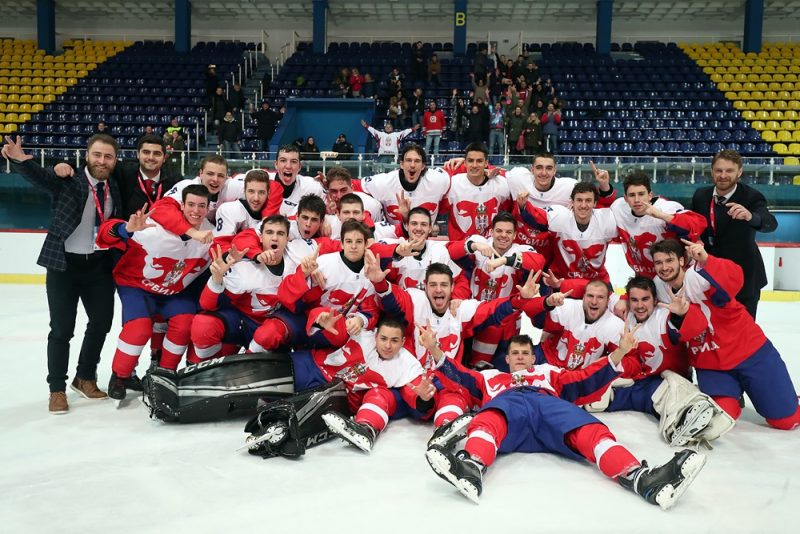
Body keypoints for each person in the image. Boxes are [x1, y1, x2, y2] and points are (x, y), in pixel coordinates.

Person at [424, 334, 706, 510]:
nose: (520, 357)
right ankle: (471, 467)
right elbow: (459, 376)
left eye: (525, 353)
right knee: (488, 418)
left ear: (532, 357)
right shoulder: (489, 378)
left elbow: (585, 378)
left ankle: (643, 480)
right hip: (510, 407)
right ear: (506, 358)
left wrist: (618, 353)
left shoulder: (549, 374)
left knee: (590, 430)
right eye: (515, 354)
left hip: (548, 405)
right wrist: (435, 350)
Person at [2, 134, 121, 413]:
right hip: (64, 266)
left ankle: (85, 377)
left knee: (101, 324)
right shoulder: (69, 180)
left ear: (115, 161)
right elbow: (42, 178)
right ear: (87, 156)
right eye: (97, 155)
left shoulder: (114, 187)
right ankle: (56, 388)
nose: (102, 161)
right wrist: (21, 161)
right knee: (61, 330)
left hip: (99, 266)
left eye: (108, 157)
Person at [651, 238, 800, 431]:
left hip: (749, 352)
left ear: (682, 260)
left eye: (669, 260)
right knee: (722, 416)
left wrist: (707, 260)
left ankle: (788, 397)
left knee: (786, 420)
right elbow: (643, 297)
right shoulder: (659, 286)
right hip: (710, 362)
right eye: (658, 262)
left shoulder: (698, 276)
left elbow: (734, 279)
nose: (664, 267)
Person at [97, 185, 215, 403]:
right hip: (137, 286)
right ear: (181, 205)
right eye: (190, 205)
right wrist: (126, 230)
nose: (196, 211)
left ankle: (164, 375)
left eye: (201, 206)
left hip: (173, 292)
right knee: (139, 328)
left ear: (209, 208)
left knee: (186, 322)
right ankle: (120, 376)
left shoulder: (210, 235)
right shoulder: (155, 227)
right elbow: (105, 234)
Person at [321, 318, 437, 452]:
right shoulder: (363, 338)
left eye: (394, 340)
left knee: (378, 393)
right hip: (353, 395)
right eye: (383, 339)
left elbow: (419, 399)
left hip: (392, 400)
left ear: (402, 342)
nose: (388, 346)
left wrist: (424, 399)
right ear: (375, 336)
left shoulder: (408, 362)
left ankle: (366, 430)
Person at [690, 149, 778, 318]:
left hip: (745, 278)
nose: (723, 175)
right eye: (719, 170)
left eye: (729, 171)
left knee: (744, 333)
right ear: (712, 171)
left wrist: (752, 217)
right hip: (711, 275)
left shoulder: (751, 196)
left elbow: (770, 223)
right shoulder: (701, 195)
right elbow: (693, 225)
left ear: (740, 171)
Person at [610, 171, 706, 278]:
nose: (637, 200)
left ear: (650, 195)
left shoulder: (666, 208)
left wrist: (661, 215)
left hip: (678, 275)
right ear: (625, 198)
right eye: (632, 195)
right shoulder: (618, 208)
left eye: (641, 194)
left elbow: (698, 224)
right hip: (645, 277)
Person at [360, 143, 450, 225]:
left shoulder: (437, 179)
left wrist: (462, 161)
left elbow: (460, 173)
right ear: (402, 164)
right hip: (393, 239)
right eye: (408, 160)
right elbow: (352, 185)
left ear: (423, 166)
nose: (412, 165)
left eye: (417, 161)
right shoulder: (384, 182)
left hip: (425, 239)